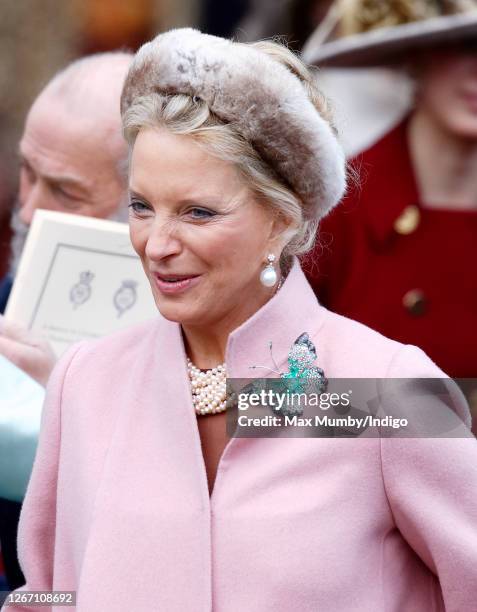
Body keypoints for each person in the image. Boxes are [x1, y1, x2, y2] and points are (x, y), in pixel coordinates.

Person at [4, 29, 477, 612]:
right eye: (142, 207)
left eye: (197, 213)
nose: (157, 244)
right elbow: (51, 592)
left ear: (282, 220)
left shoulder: (385, 392)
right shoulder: (86, 381)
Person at [0, 51, 132, 593]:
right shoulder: (9, 305)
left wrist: (79, 403)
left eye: (64, 191)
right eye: (27, 173)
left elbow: (405, 409)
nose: (28, 210)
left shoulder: (274, 330)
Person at [302, 0, 477, 380]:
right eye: (463, 46)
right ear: (414, 57)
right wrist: (414, 422)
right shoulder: (335, 211)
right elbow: (262, 404)